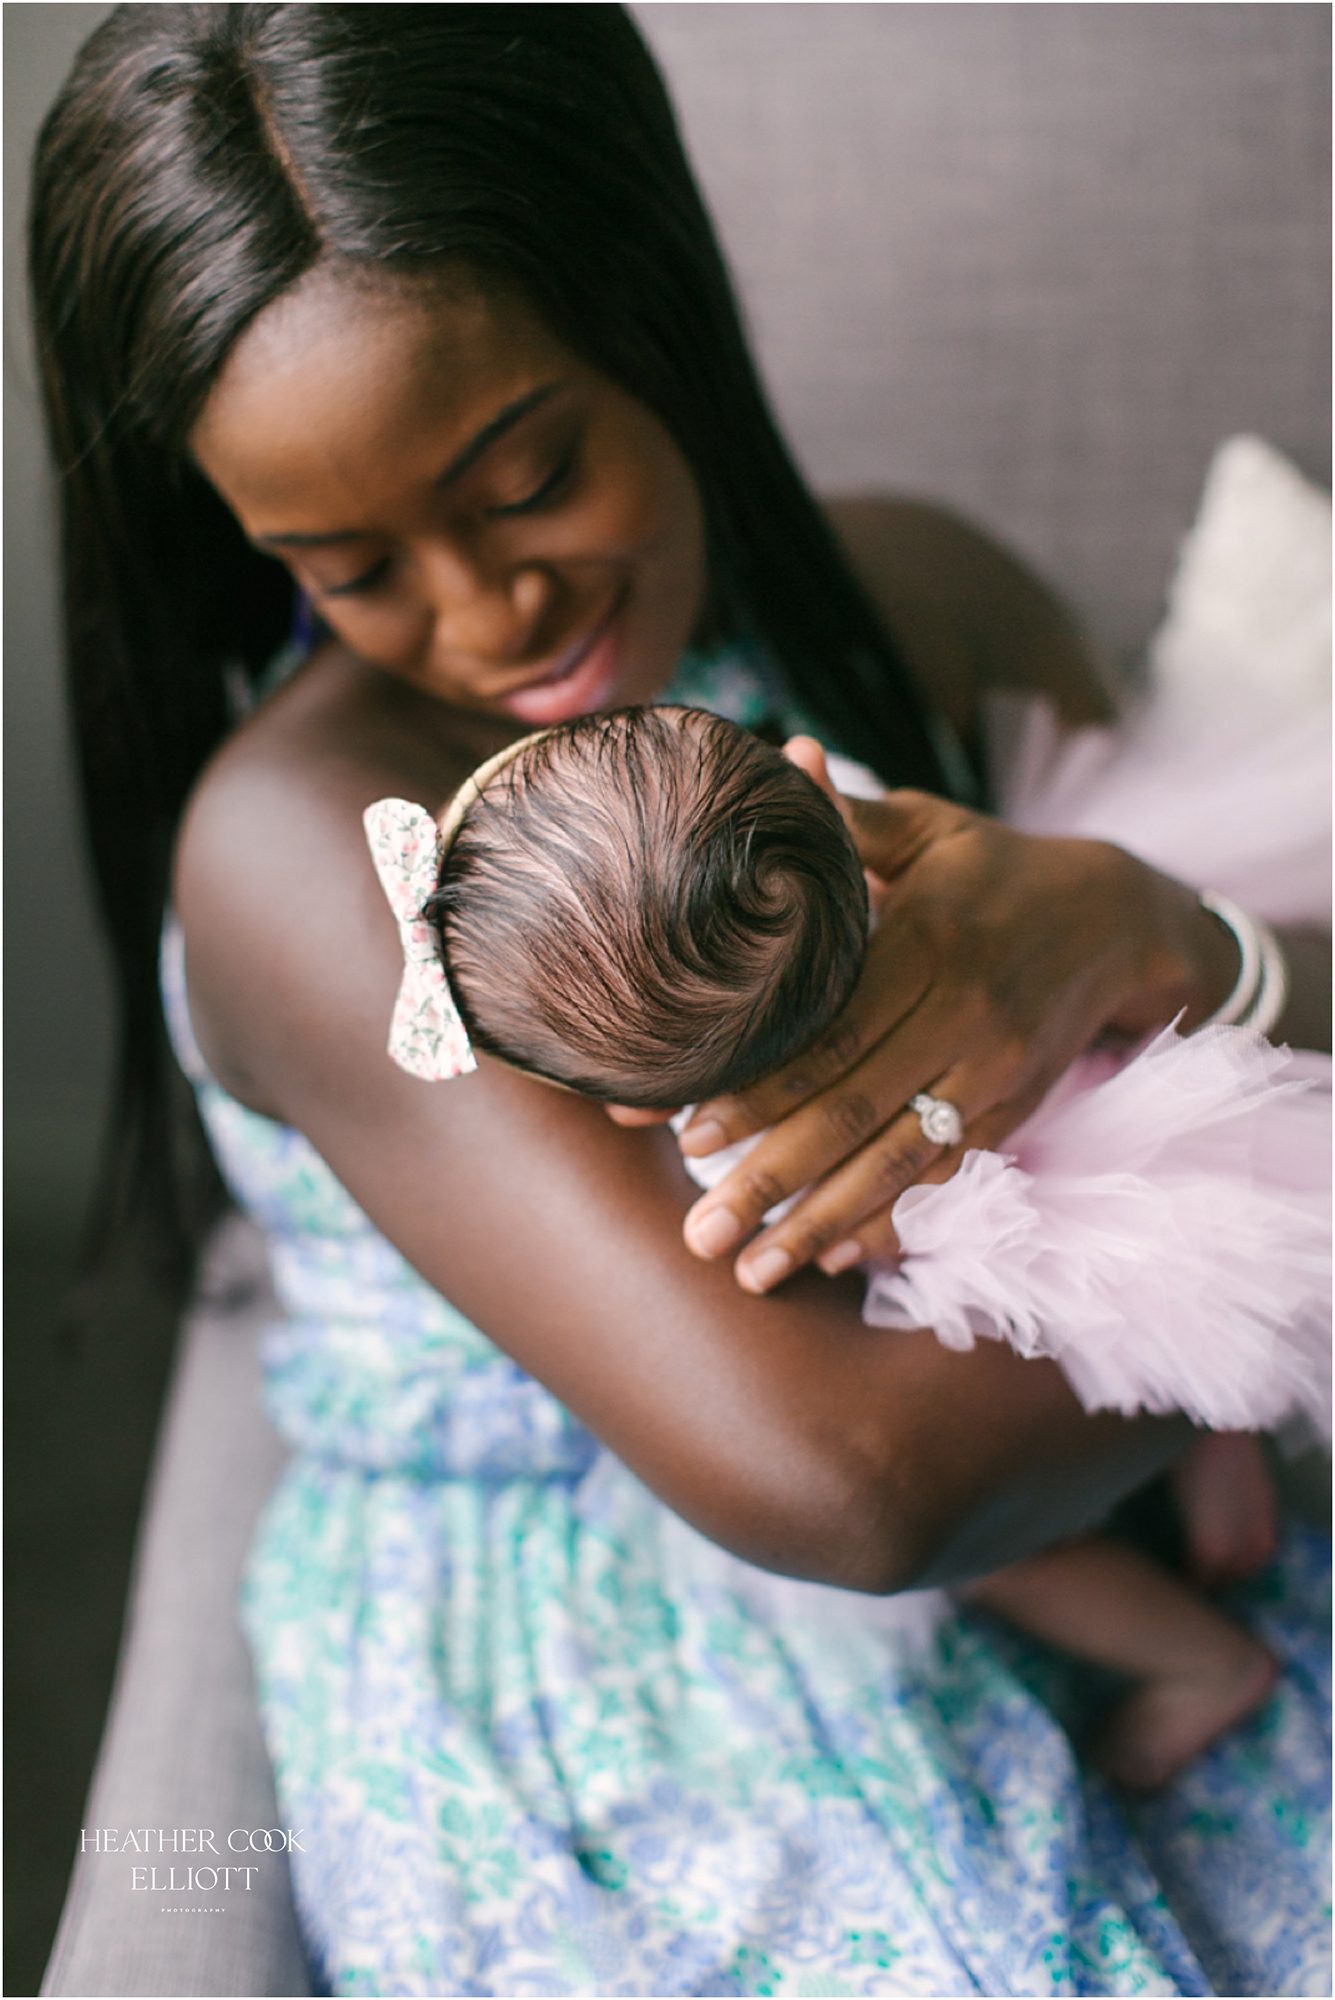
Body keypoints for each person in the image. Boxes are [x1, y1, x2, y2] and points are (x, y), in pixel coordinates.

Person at [31, 5, 1330, 1993]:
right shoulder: (322, 844)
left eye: (528, 474)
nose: (489, 614)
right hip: (623, 1654)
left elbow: (1201, 1049)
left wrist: (1150, 928)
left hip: (1065, 1474)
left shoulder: (922, 603)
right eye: (348, 568)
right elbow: (845, 1485)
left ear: (647, 300)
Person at [364, 699, 1324, 1789]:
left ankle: (1200, 1661)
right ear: (819, 782)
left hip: (1001, 1246)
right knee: (1188, 1288)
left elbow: (838, 1248)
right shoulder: (884, 836)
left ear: (639, 1112)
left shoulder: (740, 1154)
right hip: (1131, 1105)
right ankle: (1216, 1435)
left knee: (1009, 1553)